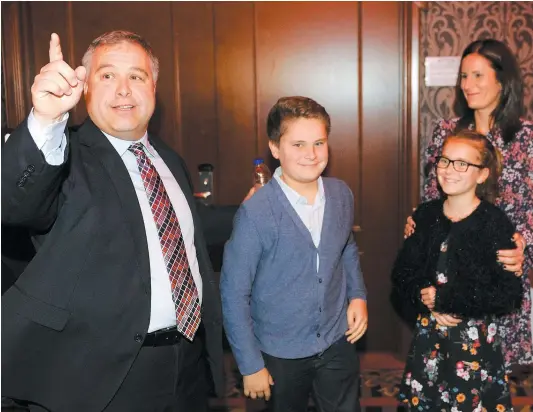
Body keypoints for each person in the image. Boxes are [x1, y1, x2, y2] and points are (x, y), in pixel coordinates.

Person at [1, 31, 224, 412]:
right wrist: (45, 120)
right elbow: (16, 205)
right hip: (96, 381)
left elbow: (179, 236)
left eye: (136, 76)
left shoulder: (169, 160)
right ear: (84, 86)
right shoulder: (62, 155)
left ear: (153, 87)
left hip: (185, 368)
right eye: (107, 76)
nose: (124, 90)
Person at [220, 96, 368, 412]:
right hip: (277, 353)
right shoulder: (255, 213)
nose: (311, 154)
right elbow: (233, 294)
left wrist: (357, 296)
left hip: (335, 341)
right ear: (275, 148)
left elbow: (347, 249)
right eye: (298, 144)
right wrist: (249, 365)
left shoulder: (341, 194)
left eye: (319, 142)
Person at [406, 38, 533, 368]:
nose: (468, 85)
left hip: (502, 267)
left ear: (502, 81)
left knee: (492, 367)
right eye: (463, 76)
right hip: (453, 267)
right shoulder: (446, 131)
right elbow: (433, 197)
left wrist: (522, 243)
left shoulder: (527, 139)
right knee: (450, 364)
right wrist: (419, 224)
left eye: (478, 75)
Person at [393, 130, 523, 411]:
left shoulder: (494, 224)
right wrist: (423, 296)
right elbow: (402, 275)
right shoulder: (424, 216)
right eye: (445, 161)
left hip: (474, 347)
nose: (450, 170)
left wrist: (446, 300)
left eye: (462, 164)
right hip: (429, 341)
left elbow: (509, 292)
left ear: (482, 174)